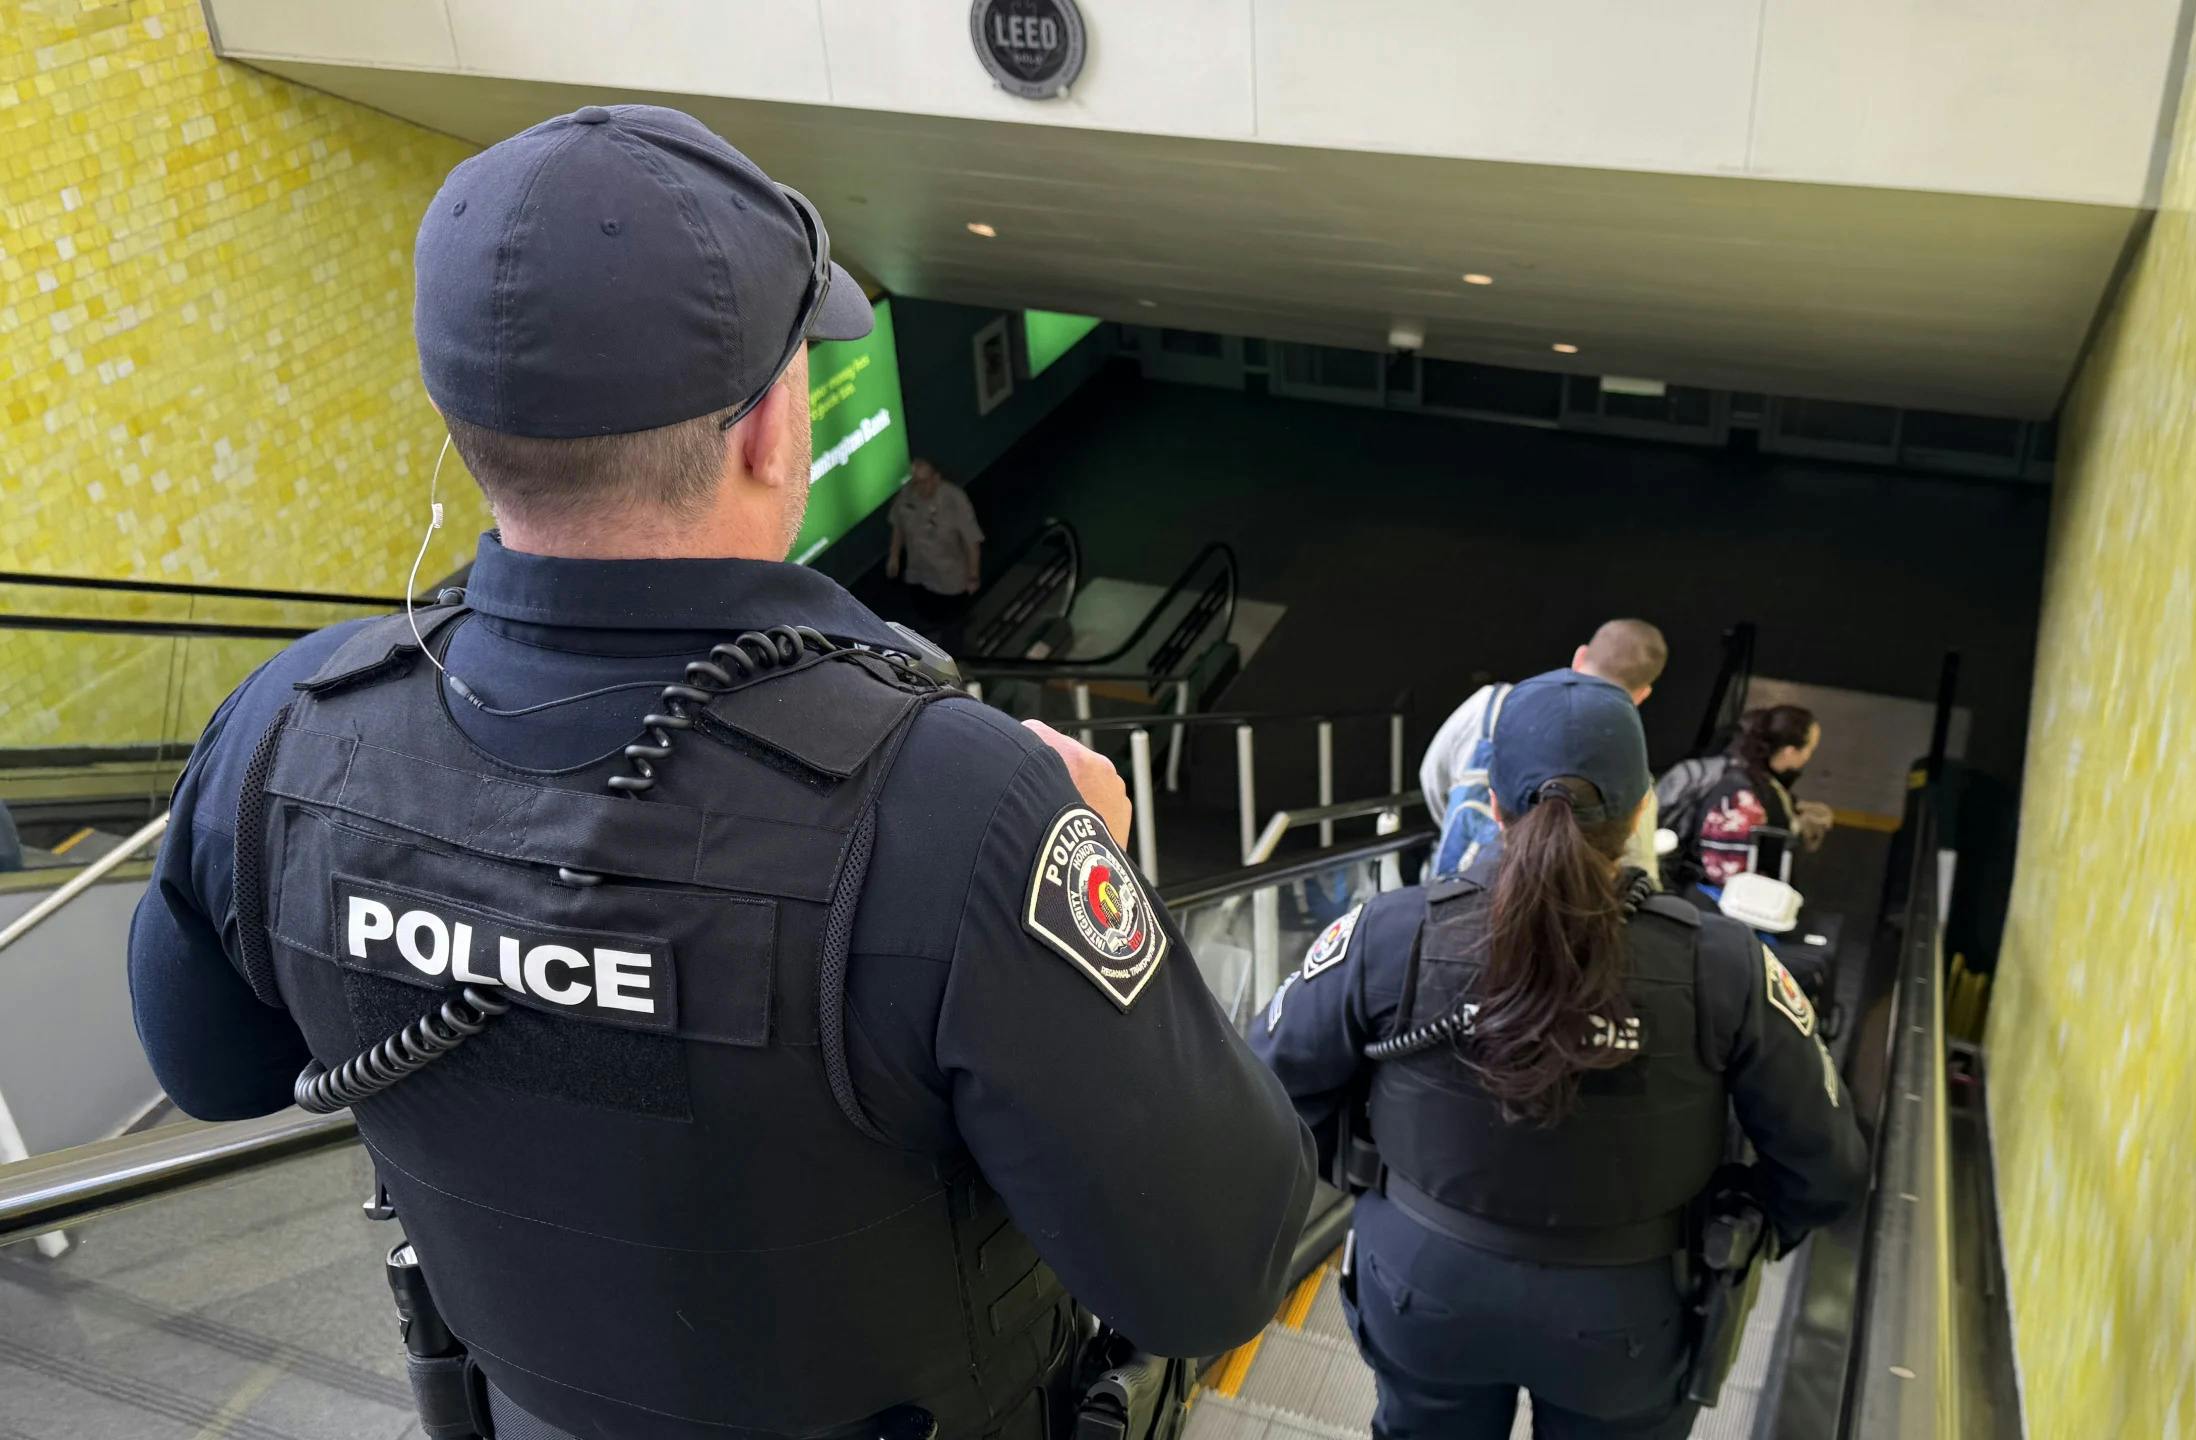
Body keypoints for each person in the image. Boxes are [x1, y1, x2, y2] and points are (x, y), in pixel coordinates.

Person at [126, 104, 1314, 1440]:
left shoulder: (288, 726)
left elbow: (207, 1063)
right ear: (767, 435)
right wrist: (1110, 879)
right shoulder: (956, 809)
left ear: (465, 422)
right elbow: (1222, 1266)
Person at [1251, 671, 1865, 1440]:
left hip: (1420, 1285)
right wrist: (1736, 1220)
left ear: (1497, 804)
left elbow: (1264, 1086)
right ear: (1643, 807)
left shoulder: (1388, 933)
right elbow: (1827, 1166)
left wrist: (1368, 1170)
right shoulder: (1727, 964)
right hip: (1631, 1316)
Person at [1420, 619, 1666, 880]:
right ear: (1642, 694)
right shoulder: (1632, 773)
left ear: (1580, 655)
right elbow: (1641, 874)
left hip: (1453, 885)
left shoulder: (1488, 707)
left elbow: (1433, 779)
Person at [1665, 705, 1831, 895]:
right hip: (1729, 902)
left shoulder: (1751, 782)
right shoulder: (1747, 794)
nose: (1808, 756)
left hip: (1709, 893)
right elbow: (1728, 865)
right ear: (1789, 751)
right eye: (1809, 749)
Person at [886, 457, 983, 649]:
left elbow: (972, 541)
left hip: (949, 580)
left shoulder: (954, 499)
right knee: (923, 622)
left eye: (923, 481)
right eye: (915, 481)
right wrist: (894, 556)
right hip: (919, 575)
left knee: (952, 627)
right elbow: (898, 526)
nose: (919, 487)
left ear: (936, 478)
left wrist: (973, 575)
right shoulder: (907, 495)